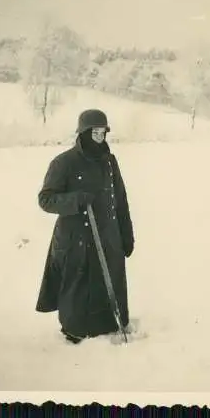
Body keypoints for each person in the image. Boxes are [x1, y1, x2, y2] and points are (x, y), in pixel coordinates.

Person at [36, 109, 134, 344]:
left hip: (108, 237)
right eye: (95, 133)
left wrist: (126, 235)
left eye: (103, 133)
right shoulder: (64, 162)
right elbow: (46, 199)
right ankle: (75, 332)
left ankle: (109, 327)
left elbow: (120, 199)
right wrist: (75, 200)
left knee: (109, 280)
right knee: (78, 287)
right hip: (76, 238)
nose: (100, 138)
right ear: (83, 133)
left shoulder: (110, 161)